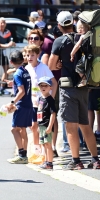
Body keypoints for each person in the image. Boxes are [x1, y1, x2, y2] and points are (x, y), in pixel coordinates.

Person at [49, 11, 100, 170]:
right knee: (85, 125)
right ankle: (95, 159)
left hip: (68, 88)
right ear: (72, 23)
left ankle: (76, 160)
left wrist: (60, 64)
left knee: (70, 126)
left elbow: (51, 65)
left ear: (59, 25)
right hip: (84, 87)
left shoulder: (59, 41)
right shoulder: (83, 37)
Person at [25, 44, 57, 165]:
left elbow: (54, 82)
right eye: (28, 55)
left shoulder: (43, 67)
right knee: (33, 127)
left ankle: (44, 154)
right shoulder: (27, 68)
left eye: (32, 55)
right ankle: (37, 151)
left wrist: (50, 98)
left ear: (38, 55)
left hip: (43, 103)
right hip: (33, 103)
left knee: (41, 127)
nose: (29, 57)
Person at [6, 50, 32, 164]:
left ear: (11, 62)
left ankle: (21, 154)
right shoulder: (25, 71)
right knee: (22, 130)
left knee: (14, 129)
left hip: (21, 104)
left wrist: (12, 102)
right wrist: (14, 83)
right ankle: (24, 155)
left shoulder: (17, 74)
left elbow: (21, 91)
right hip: (28, 104)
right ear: (23, 60)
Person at [36, 76, 57, 170]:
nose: (43, 87)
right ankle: (46, 161)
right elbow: (39, 112)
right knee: (44, 144)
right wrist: (38, 124)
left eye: (46, 85)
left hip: (47, 125)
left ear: (50, 88)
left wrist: (50, 126)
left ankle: (50, 163)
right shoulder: (40, 98)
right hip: (41, 125)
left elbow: (53, 114)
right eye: (41, 86)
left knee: (48, 144)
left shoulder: (50, 100)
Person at [0, 17, 15, 96]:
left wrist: (11, 43)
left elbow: (10, 41)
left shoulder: (8, 32)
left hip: (4, 54)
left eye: (3, 23)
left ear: (5, 24)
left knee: (6, 70)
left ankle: (2, 87)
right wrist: (7, 45)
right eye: (1, 22)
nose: (2, 24)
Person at [70, 20, 90, 87]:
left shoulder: (82, 36)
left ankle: (84, 80)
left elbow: (77, 46)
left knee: (78, 67)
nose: (79, 30)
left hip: (85, 55)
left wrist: (72, 54)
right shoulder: (91, 34)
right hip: (91, 55)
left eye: (81, 28)